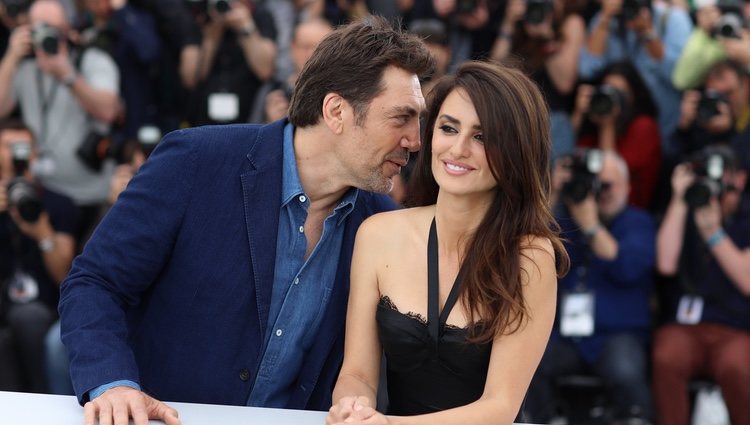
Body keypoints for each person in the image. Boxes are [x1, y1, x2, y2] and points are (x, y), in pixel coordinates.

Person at [58, 16, 434, 425]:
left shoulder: (382, 225)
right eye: (401, 118)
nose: (415, 140)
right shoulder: (196, 161)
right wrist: (113, 382)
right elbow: (94, 282)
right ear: (336, 110)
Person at [326, 60, 569, 425]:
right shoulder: (377, 234)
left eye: (482, 137)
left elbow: (500, 408)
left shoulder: (530, 257)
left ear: (516, 150)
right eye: (448, 128)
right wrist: (352, 408)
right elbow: (357, 373)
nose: (457, 149)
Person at [525, 150, 656, 423]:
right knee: (528, 360)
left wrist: (591, 225)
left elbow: (627, 267)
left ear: (627, 186)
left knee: (625, 371)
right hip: (567, 336)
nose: (601, 191)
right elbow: (530, 247)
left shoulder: (639, 222)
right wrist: (554, 195)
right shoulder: (568, 219)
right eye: (595, 183)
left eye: (608, 185)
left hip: (617, 334)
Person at [0, 0, 120, 245]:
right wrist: (12, 56)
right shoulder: (25, 68)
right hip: (47, 194)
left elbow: (109, 111)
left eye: (54, 28)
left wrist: (67, 75)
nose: (48, 35)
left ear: (67, 28)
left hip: (92, 195)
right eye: (40, 28)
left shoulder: (92, 60)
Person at [653, 145, 750, 425]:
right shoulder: (685, 210)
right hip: (686, 327)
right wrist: (680, 201)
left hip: (735, 329)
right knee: (666, 356)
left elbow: (747, 281)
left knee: (737, 367)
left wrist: (714, 234)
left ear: (740, 179)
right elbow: (665, 264)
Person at [0, 119, 76, 392]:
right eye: (9, 147)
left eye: (24, 147)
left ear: (35, 154)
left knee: (28, 317)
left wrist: (43, 232)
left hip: (43, 305)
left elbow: (65, 276)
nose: (18, 155)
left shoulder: (59, 202)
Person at [574, 61, 662, 210]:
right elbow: (563, 157)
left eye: (620, 93)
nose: (613, 98)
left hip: (628, 210)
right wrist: (578, 114)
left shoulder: (643, 128)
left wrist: (607, 126)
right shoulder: (591, 131)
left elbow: (610, 183)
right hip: (585, 209)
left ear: (634, 96)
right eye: (607, 91)